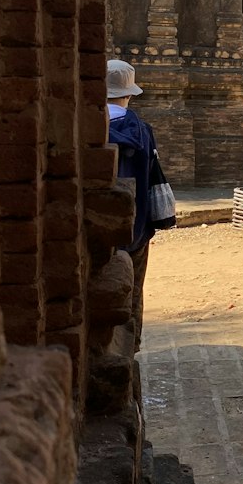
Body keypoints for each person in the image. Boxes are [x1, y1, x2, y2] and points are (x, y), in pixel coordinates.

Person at [106, 58, 159, 348]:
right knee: (133, 287)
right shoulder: (143, 131)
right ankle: (130, 344)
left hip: (96, 224)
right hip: (137, 225)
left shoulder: (87, 127)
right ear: (128, 94)